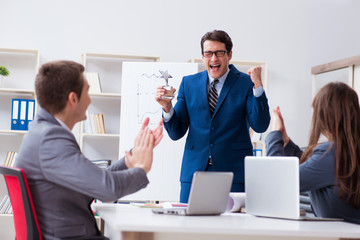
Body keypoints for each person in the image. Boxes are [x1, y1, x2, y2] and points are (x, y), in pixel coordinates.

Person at [15, 60, 164, 239]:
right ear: (73, 99)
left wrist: (129, 160)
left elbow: (96, 182)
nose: (90, 99)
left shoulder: (43, 133)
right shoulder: (51, 140)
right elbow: (108, 188)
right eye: (87, 90)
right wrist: (142, 168)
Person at [155, 30, 270, 203]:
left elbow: (260, 125)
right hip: (194, 173)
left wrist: (258, 86)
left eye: (219, 53)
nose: (213, 59)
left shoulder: (246, 83)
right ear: (202, 56)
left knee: (231, 228)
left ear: (229, 54)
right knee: (191, 227)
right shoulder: (189, 83)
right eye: (208, 53)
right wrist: (167, 107)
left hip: (233, 175)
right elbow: (176, 132)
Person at [266, 82, 360, 224]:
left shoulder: (331, 155)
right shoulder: (348, 150)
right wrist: (285, 142)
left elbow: (278, 181)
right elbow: (313, 166)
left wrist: (274, 135)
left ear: (324, 116)